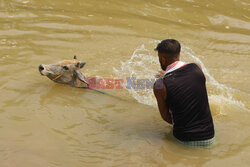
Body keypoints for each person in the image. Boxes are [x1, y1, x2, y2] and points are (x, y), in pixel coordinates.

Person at [153, 39, 215, 147]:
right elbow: (186, 84)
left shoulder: (159, 85)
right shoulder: (197, 68)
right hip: (210, 137)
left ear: (162, 59)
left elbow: (166, 117)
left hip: (184, 140)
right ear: (178, 54)